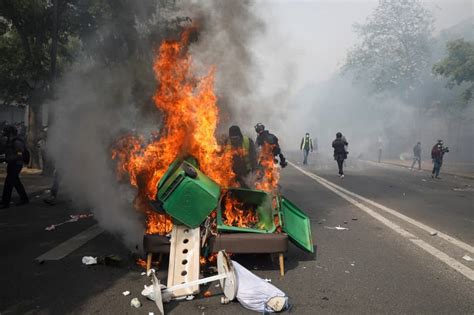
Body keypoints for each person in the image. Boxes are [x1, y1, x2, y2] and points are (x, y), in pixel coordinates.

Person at [0, 125, 29, 208]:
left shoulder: (16, 142)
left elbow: (20, 154)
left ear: (10, 132)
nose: (4, 133)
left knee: (9, 183)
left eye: (6, 131)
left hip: (16, 164)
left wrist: (9, 158)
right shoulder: (9, 141)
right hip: (12, 164)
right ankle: (24, 199)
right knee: (16, 183)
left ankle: (6, 203)